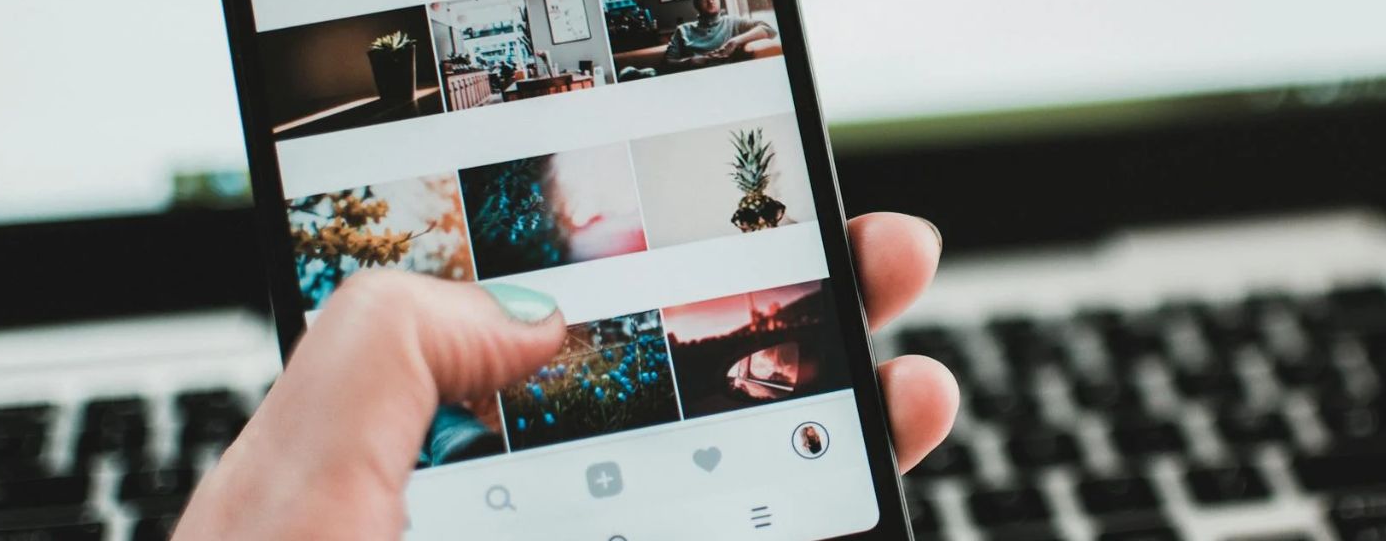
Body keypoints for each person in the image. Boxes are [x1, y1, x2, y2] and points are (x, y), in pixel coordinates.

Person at [174, 212, 955, 538]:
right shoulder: (707, 370)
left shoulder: (718, 385)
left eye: (777, 371)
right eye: (776, 357)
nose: (769, 363)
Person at [666, 0, 776, 68]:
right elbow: (667, 62)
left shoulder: (733, 22)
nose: (710, 1)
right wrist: (690, 62)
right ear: (696, 4)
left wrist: (734, 42)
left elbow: (770, 30)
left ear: (719, 0)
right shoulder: (683, 30)